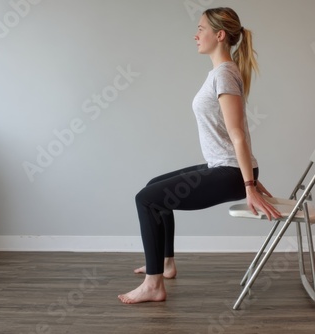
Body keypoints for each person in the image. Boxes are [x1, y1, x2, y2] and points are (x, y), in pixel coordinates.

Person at [118, 7, 281, 304]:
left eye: (201, 28)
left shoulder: (226, 74)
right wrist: (251, 177)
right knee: (153, 185)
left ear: (219, 35)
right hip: (226, 167)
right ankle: (165, 264)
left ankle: (153, 284)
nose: (196, 35)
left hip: (230, 172)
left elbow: (238, 134)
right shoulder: (221, 73)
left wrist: (248, 185)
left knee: (146, 199)